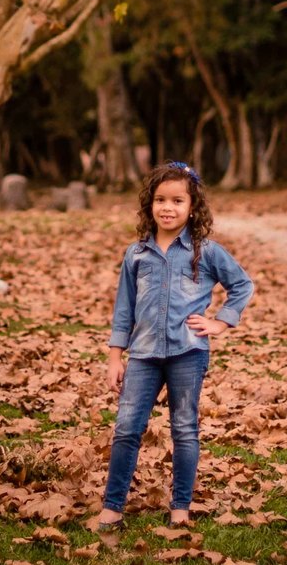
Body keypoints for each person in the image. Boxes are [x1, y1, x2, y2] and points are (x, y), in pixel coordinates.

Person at [93, 161, 254, 530]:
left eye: (177, 201)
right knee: (127, 427)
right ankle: (112, 508)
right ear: (150, 204)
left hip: (188, 353)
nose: (168, 207)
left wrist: (219, 322)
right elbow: (123, 310)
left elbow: (242, 285)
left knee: (184, 429)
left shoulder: (206, 251)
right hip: (144, 355)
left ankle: (180, 507)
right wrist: (115, 357)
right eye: (160, 199)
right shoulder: (136, 255)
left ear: (192, 207)